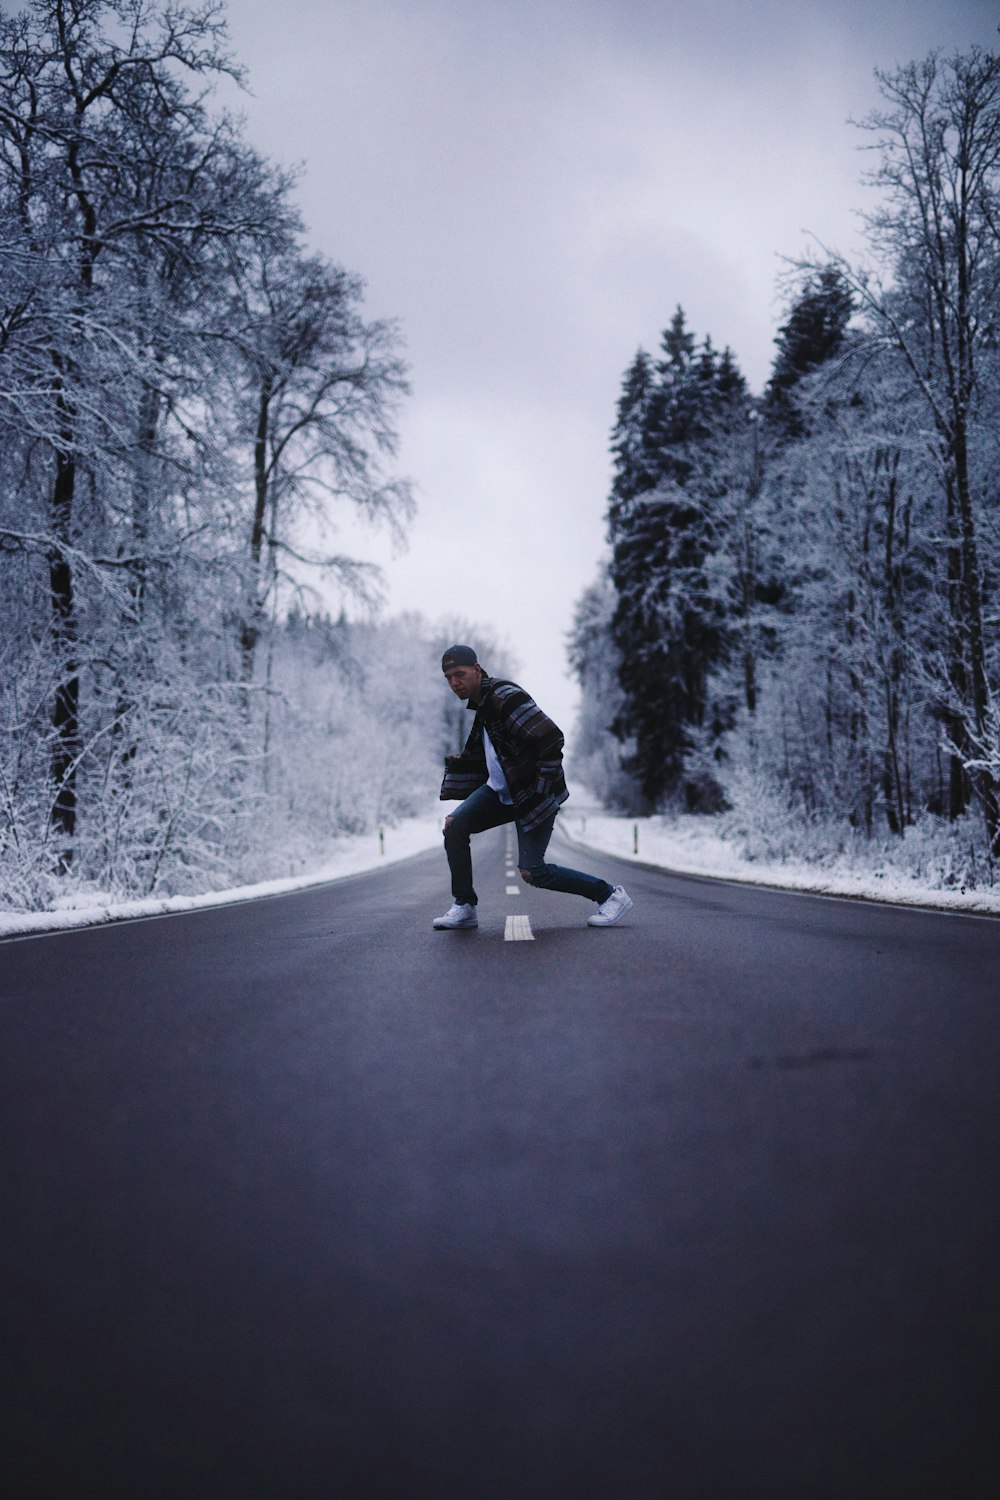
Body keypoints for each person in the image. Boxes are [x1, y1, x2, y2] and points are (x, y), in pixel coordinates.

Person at [433, 645, 633, 930]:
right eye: (448, 677)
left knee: (533, 872)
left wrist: (540, 790)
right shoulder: (484, 707)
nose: (454, 682)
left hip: (531, 794)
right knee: (454, 827)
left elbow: (551, 739)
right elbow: (490, 756)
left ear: (477, 670)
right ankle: (464, 906)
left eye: (459, 674)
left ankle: (610, 896)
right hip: (502, 793)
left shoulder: (505, 697)